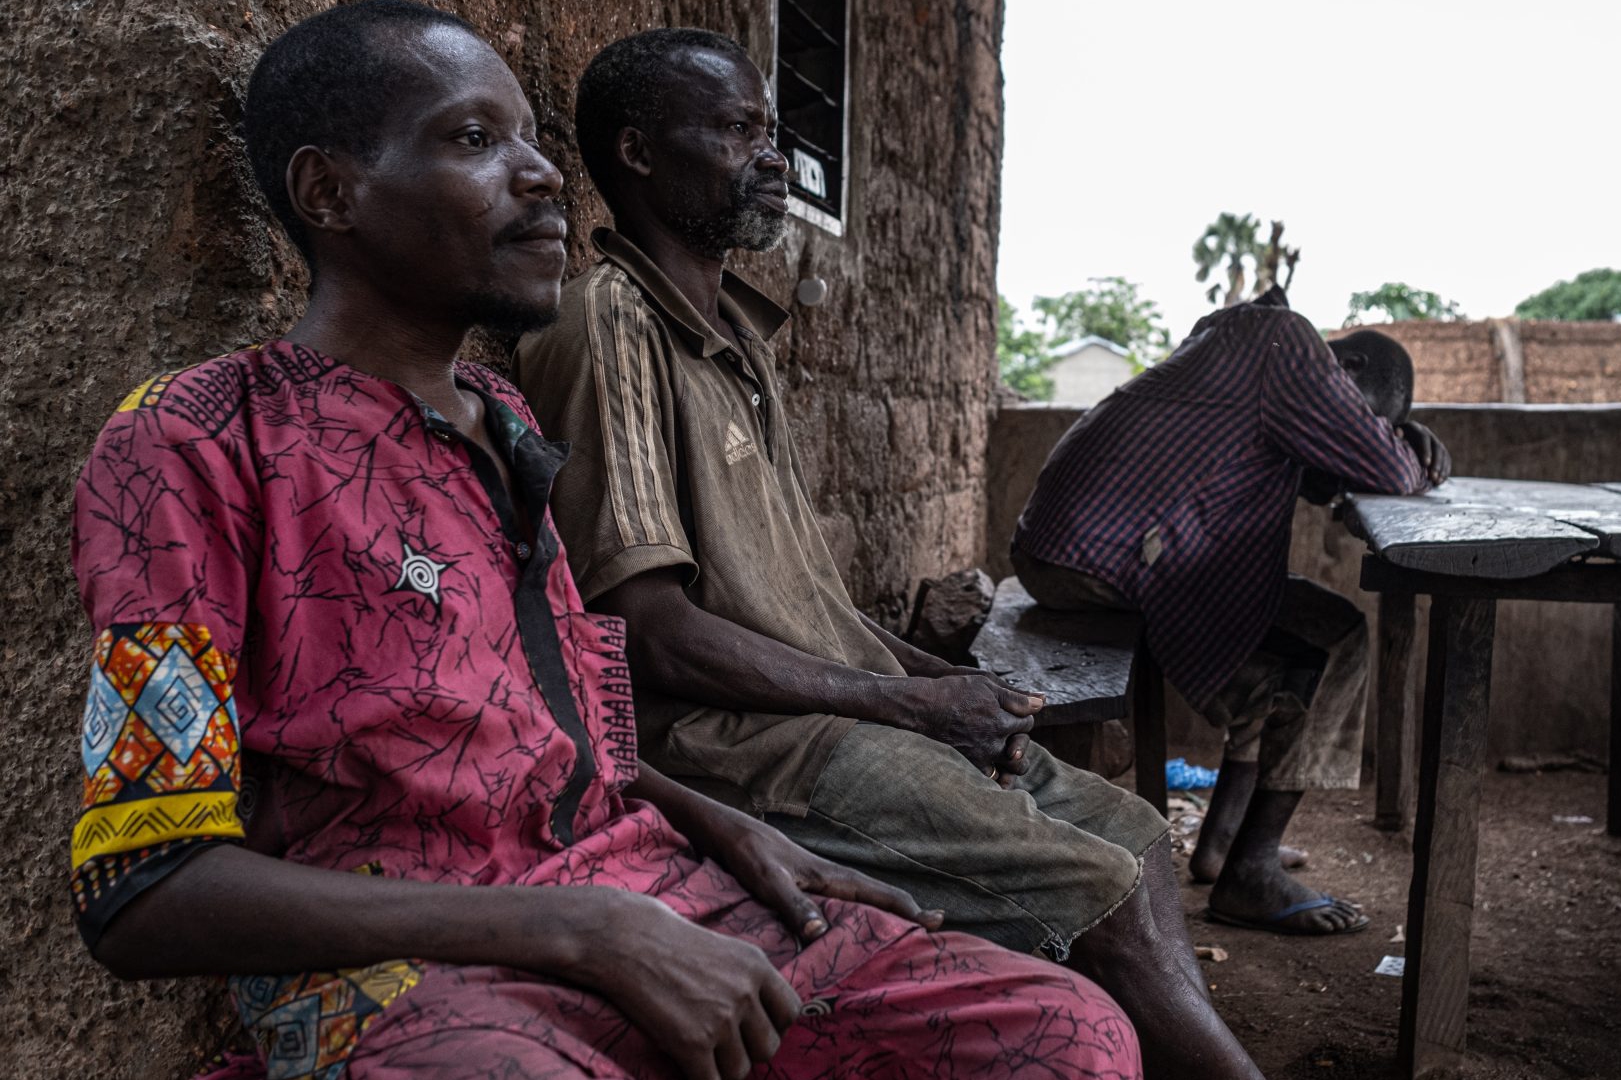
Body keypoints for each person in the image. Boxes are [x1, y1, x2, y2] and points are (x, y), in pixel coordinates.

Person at [66, 6, 1141, 1079]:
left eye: (530, 136)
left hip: (644, 888)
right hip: (405, 967)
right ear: (328, 192)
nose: (540, 175)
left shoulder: (508, 427)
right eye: (475, 140)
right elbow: (147, 888)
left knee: (1067, 1035)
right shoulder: (195, 440)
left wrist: (718, 824)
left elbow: (559, 738)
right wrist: (579, 929)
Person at [513, 28, 1264, 1080]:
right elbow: (649, 636)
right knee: (1090, 884)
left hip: (834, 717)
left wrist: (942, 683)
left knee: (1133, 834)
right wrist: (910, 708)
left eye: (769, 130)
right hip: (743, 748)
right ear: (637, 154)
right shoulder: (611, 325)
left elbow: (805, 603)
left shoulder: (735, 336)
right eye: (734, 132)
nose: (769, 155)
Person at [1013, 305, 1451, 937]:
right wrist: (1407, 447)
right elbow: (1390, 471)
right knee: (1334, 640)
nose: (1361, 428)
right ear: (1347, 365)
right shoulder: (1289, 344)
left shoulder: (1248, 345)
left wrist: (1390, 439)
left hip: (1072, 548)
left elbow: (1329, 472)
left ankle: (1224, 846)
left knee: (1273, 642)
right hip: (1095, 558)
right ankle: (1249, 870)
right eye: (1367, 415)